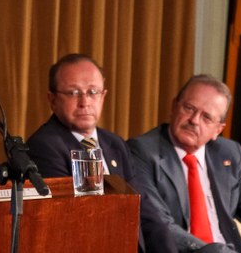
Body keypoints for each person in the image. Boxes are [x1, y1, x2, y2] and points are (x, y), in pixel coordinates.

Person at [128, 74, 241, 253]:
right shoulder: (142, 151)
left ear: (218, 130)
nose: (194, 120)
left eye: (206, 117)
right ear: (174, 106)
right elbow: (159, 223)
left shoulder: (229, 154)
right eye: (189, 108)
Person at [26, 53, 176, 252]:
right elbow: (71, 219)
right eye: (73, 93)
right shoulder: (44, 146)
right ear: (52, 99)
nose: (85, 102)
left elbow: (144, 208)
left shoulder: (114, 143)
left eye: (93, 92)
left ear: (103, 96)